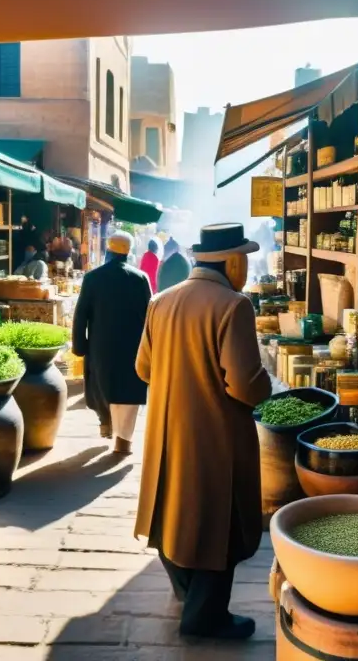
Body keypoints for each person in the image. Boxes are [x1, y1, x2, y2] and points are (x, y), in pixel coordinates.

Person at [135, 223, 271, 640]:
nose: (246, 267)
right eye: (244, 258)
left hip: (165, 428)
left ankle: (187, 590)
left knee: (171, 508)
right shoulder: (234, 305)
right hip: (215, 433)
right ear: (231, 261)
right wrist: (266, 385)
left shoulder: (161, 301)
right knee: (219, 519)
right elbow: (245, 386)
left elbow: (144, 368)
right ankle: (205, 617)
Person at [72, 231, 151, 452]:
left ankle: (105, 422)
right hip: (132, 348)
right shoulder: (140, 278)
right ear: (129, 253)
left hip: (100, 346)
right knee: (128, 391)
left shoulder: (93, 277)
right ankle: (123, 441)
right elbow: (150, 318)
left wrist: (80, 346)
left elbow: (81, 315)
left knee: (102, 385)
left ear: (108, 250)